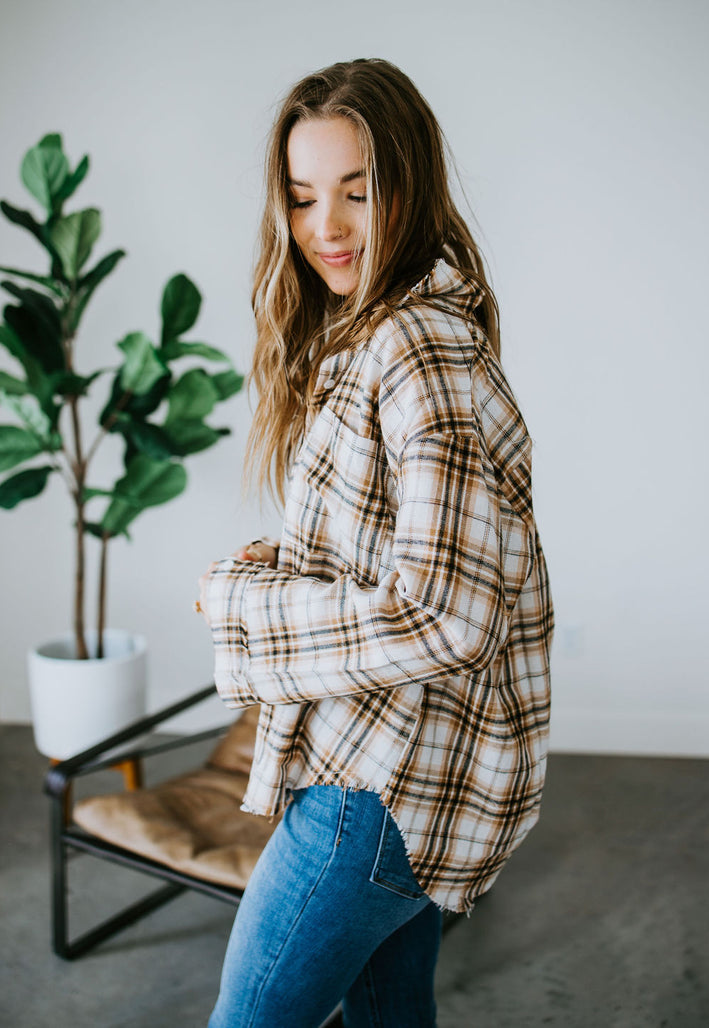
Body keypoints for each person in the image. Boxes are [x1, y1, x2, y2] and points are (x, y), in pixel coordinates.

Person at [198, 57, 553, 1028]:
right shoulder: (394, 335)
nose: (327, 228)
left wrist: (245, 602)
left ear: (410, 182)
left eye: (358, 191)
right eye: (305, 197)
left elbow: (445, 610)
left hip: (373, 788)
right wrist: (276, 565)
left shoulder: (417, 351)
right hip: (405, 776)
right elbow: (390, 553)